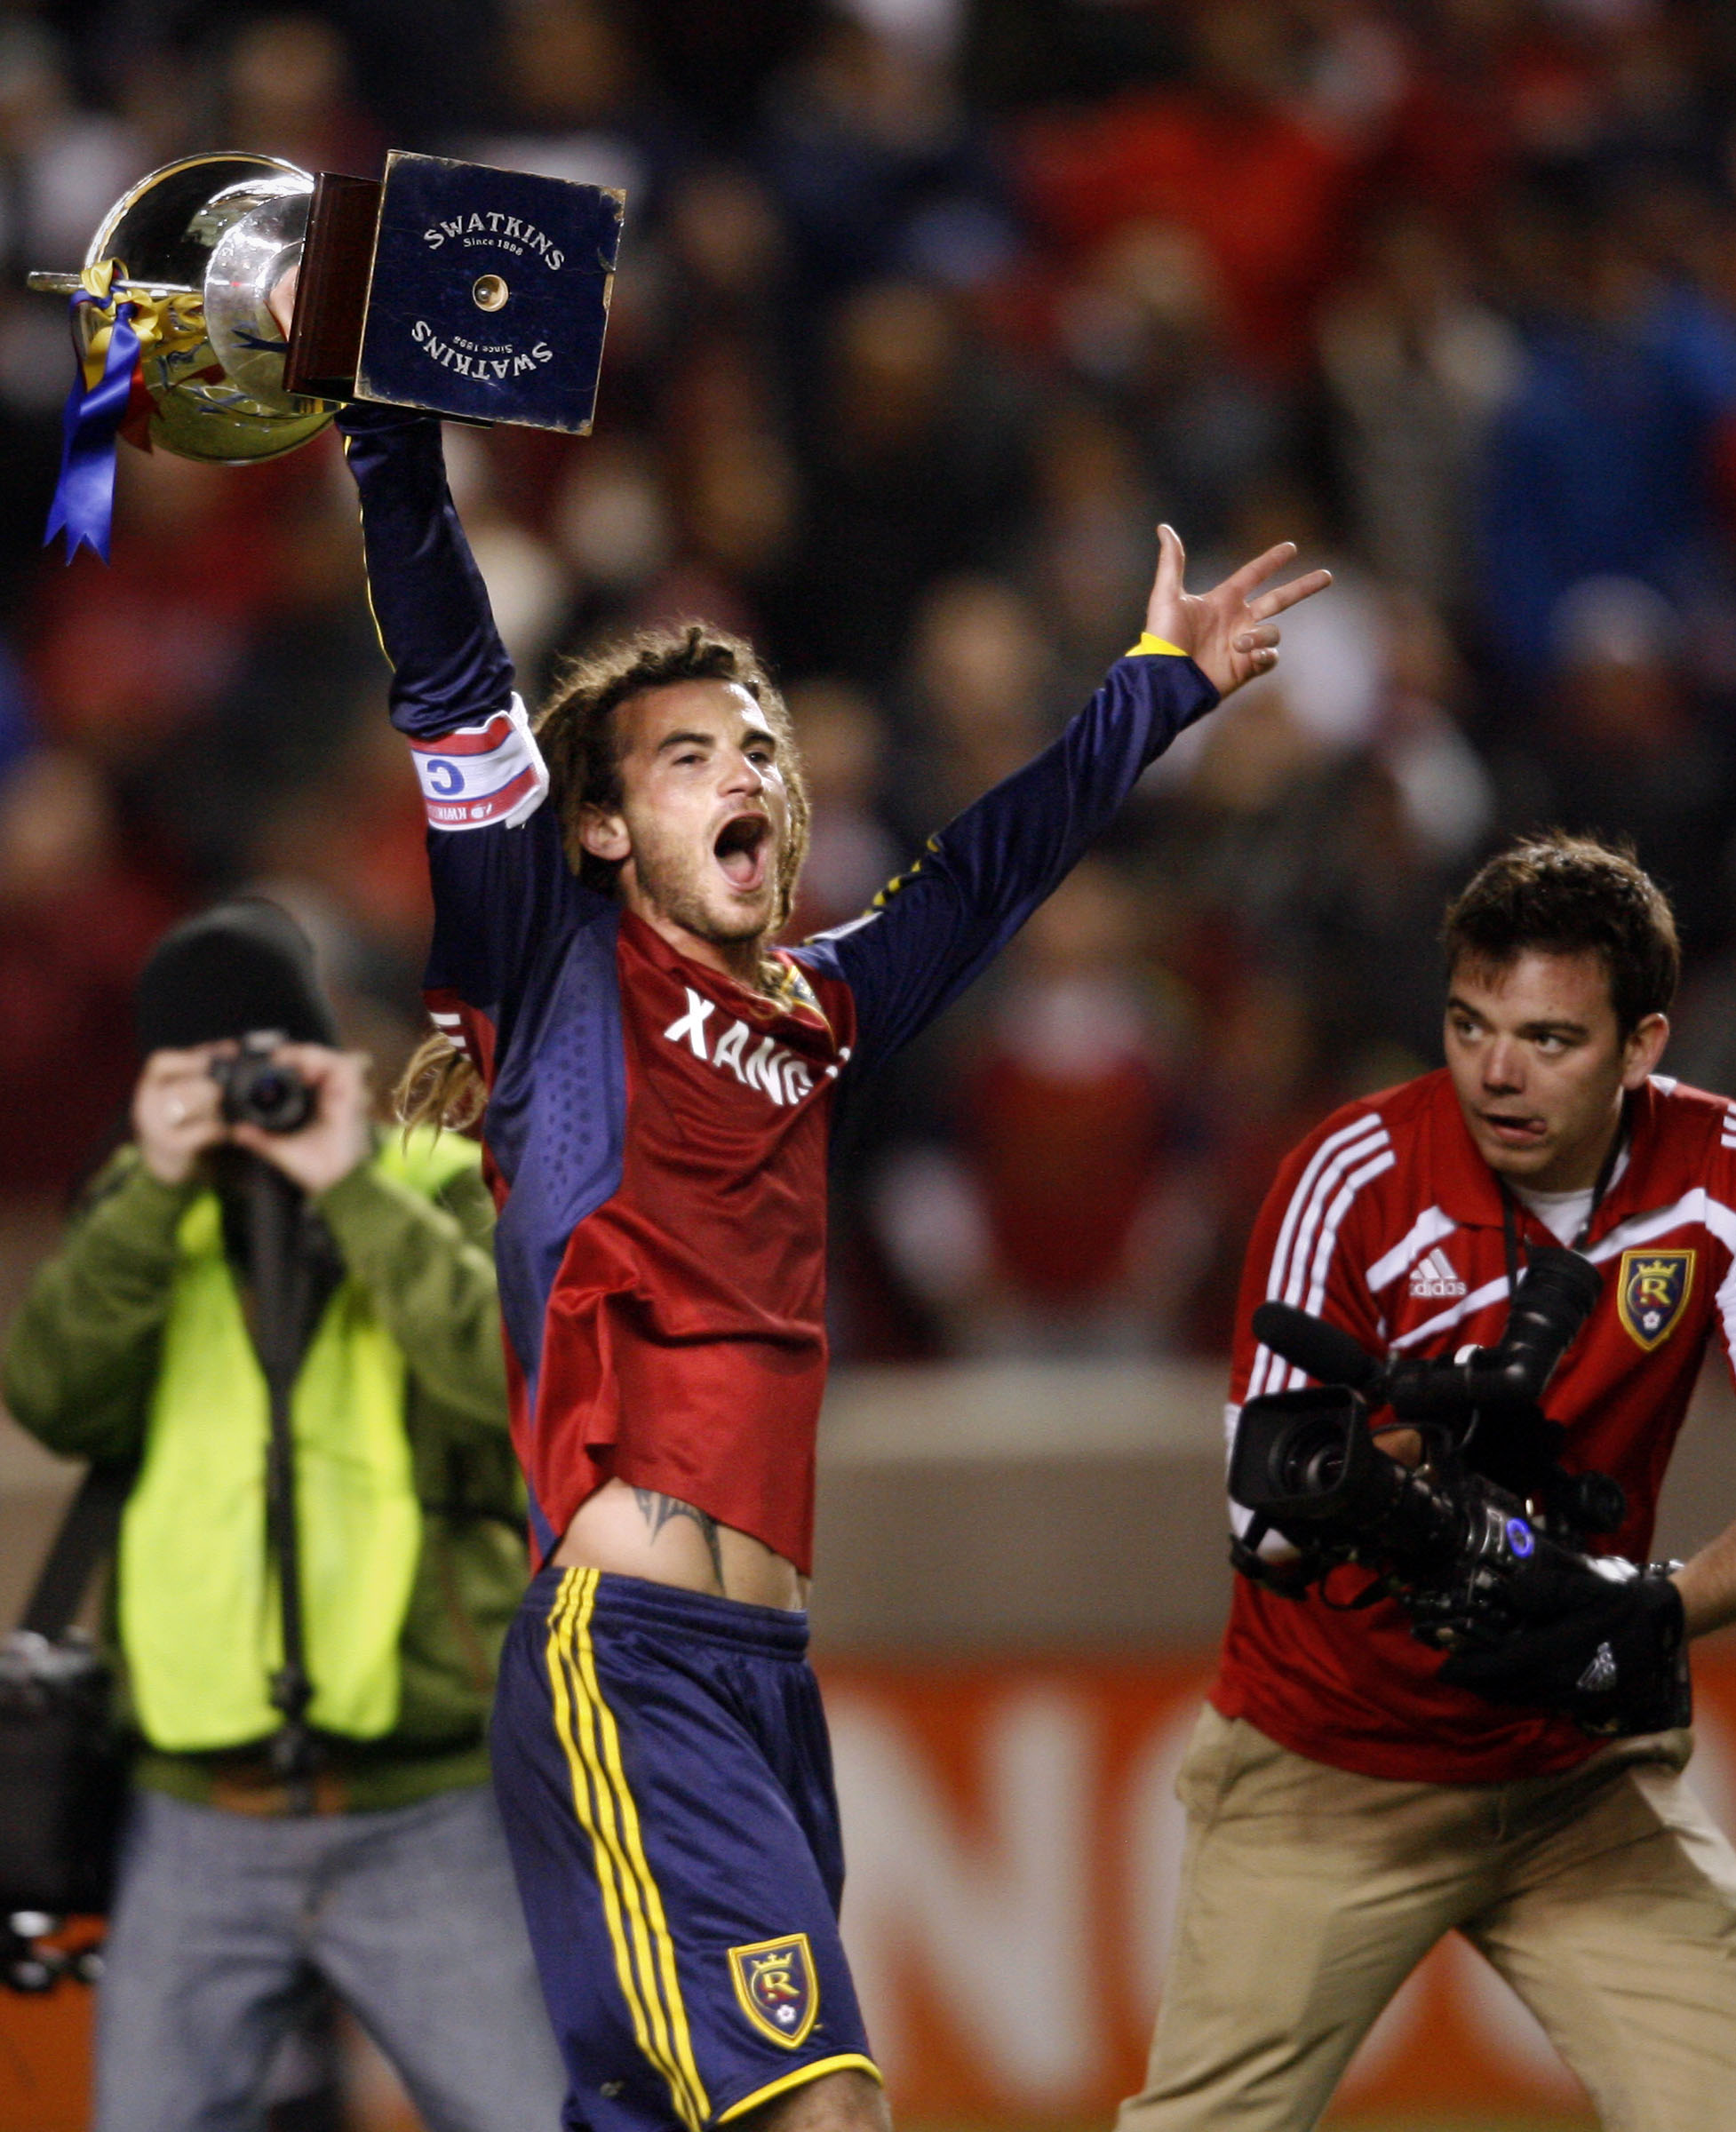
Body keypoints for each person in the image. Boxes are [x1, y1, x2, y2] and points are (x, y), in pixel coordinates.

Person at [334, 399, 1328, 2132]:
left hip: (760, 1679)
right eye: (688, 755)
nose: (748, 776)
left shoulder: (818, 1011)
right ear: (588, 830)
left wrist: (1159, 682)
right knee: (825, 2113)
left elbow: (990, 868)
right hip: (630, 1652)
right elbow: (450, 688)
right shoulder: (555, 968)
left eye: (760, 750)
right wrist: (397, 454)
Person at [1121, 833, 1736, 2132]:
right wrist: (1410, 1469)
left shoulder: (1719, 1174)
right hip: (1325, 1768)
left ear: (1641, 1047)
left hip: (1581, 1780)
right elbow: (1261, 1514)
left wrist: (1653, 1611)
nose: (1495, 1075)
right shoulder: (1347, 1176)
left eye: (1549, 1040)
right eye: (1467, 1025)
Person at [2, 899, 567, 2132]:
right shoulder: (146, 1216)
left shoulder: (428, 1183)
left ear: (329, 1054)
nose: (249, 1092)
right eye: (212, 1068)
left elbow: (517, 1385)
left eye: (272, 1061)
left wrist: (350, 1184)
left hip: (426, 1805)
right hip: (195, 1811)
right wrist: (152, 1188)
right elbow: (48, 1394)